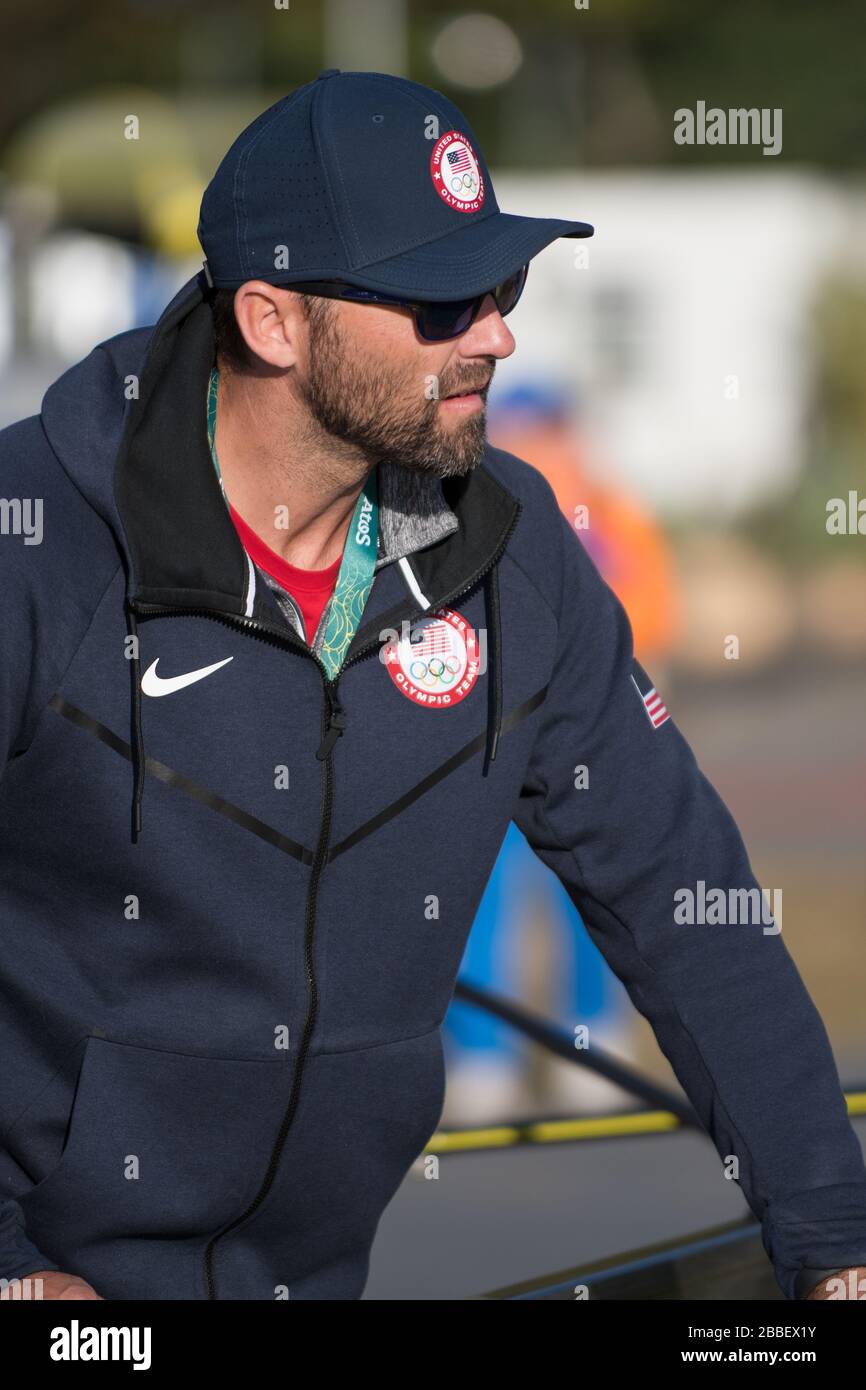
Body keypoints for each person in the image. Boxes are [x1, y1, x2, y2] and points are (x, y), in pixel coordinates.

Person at [1, 70, 864, 1304]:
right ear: (273, 321)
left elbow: (683, 900)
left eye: (503, 287)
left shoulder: (516, 560)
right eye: (441, 297)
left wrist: (836, 1236)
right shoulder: (31, 542)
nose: (498, 332)